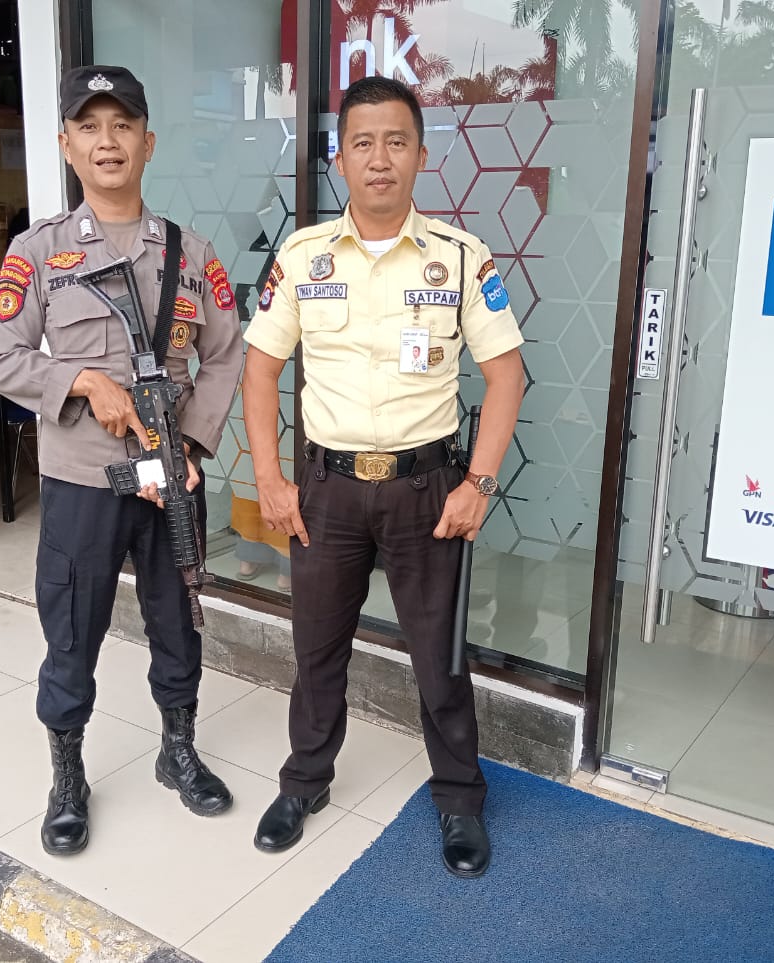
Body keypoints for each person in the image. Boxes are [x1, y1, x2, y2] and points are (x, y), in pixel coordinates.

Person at [242, 76, 524, 878]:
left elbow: (507, 374)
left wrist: (479, 483)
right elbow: (260, 371)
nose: (379, 159)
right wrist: (270, 480)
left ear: (420, 156)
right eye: (362, 143)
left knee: (440, 659)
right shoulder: (303, 256)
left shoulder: (460, 258)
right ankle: (304, 782)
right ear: (339, 158)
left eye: (396, 141)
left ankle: (460, 798)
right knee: (317, 651)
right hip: (326, 492)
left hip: (425, 492)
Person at [0, 65, 244, 855]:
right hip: (82, 483)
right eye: (90, 127)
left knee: (179, 623)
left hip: (173, 478)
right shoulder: (39, 252)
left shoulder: (191, 253)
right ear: (67, 144)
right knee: (71, 632)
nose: (108, 142)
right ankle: (68, 777)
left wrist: (191, 443)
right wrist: (80, 381)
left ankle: (177, 750)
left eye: (123, 125)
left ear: (148, 142)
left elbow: (226, 354)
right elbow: (2, 357)